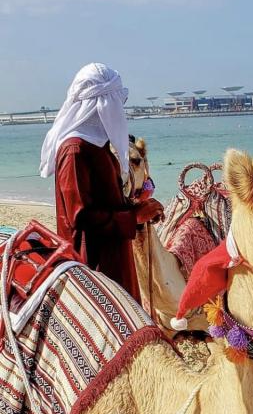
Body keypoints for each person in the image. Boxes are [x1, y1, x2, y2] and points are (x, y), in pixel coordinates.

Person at [40, 63, 163, 303]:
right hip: (93, 263)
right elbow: (80, 216)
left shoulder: (98, 146)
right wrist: (133, 218)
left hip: (113, 256)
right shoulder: (75, 150)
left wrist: (140, 211)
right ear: (103, 104)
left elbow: (107, 201)